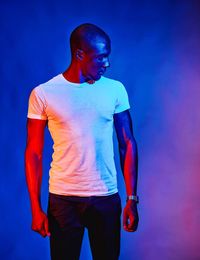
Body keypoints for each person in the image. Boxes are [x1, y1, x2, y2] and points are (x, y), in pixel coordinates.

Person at [25, 23, 139, 260]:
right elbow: (33, 153)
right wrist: (36, 208)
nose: (107, 64)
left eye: (108, 57)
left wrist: (131, 198)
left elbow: (127, 143)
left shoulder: (115, 89)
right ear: (79, 54)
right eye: (101, 58)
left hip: (106, 198)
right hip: (63, 200)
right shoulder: (44, 93)